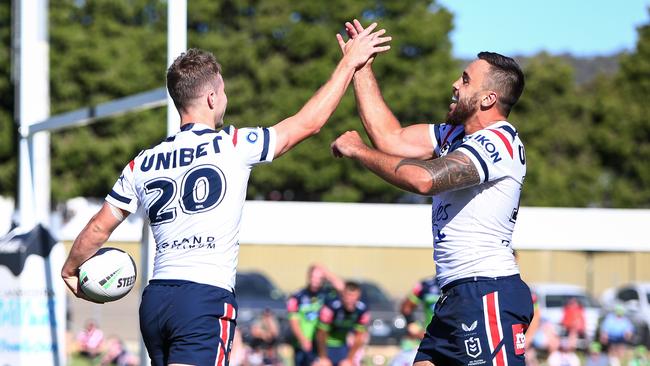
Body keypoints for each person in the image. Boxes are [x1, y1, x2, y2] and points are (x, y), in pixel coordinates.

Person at [61, 26, 391, 366]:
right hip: (203, 297)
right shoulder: (233, 145)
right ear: (211, 98)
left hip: (157, 300)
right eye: (224, 91)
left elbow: (99, 228)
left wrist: (71, 268)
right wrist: (349, 63)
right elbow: (308, 123)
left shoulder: (142, 162)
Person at [332, 19, 533, 365]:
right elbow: (391, 139)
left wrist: (358, 150)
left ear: (488, 98)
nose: (455, 84)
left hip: (487, 291)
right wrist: (360, 66)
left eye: (466, 79)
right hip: (456, 295)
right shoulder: (453, 135)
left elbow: (424, 180)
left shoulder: (499, 141)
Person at [287, 264, 345, 366]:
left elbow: (343, 288)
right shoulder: (297, 296)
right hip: (303, 343)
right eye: (313, 277)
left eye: (319, 278)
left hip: (321, 343)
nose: (315, 281)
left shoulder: (327, 294)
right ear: (308, 277)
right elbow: (294, 321)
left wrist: (326, 272)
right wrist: (303, 339)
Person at [316, 281, 370, 366]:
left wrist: (350, 359)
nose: (351, 300)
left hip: (342, 346)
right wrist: (323, 357)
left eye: (354, 296)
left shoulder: (361, 310)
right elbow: (321, 333)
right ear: (343, 295)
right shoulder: (331, 307)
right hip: (326, 345)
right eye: (348, 296)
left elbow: (359, 336)